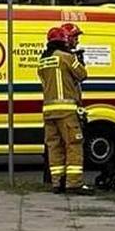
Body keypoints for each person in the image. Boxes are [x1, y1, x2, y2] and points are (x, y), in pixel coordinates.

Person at [38, 26, 91, 195]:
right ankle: (73, 184)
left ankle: (57, 182)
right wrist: (78, 60)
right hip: (67, 111)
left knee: (55, 147)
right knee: (74, 145)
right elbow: (82, 75)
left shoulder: (43, 60)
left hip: (48, 111)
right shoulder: (67, 57)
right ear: (64, 41)